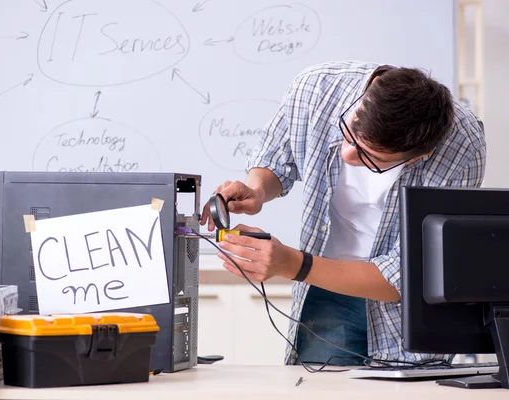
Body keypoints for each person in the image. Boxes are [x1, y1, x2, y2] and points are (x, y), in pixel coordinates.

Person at [200, 60, 486, 366]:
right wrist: (257, 190)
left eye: (371, 157)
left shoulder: (461, 148)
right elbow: (276, 158)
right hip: (326, 289)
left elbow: (406, 276)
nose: (347, 155)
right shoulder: (317, 89)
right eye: (349, 134)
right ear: (371, 87)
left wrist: (291, 264)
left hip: (407, 313)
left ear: (420, 156)